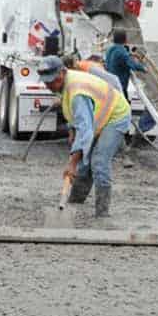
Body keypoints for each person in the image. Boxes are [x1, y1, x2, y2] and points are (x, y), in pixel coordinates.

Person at [38, 56, 131, 219]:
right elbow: (76, 117)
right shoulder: (65, 85)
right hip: (99, 118)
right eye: (46, 83)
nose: (49, 86)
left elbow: (86, 131)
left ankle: (102, 213)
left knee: (99, 161)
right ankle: (75, 201)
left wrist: (72, 163)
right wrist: (72, 132)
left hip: (116, 115)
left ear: (62, 72)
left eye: (51, 81)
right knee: (84, 159)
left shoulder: (76, 91)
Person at [103, 29, 144, 97]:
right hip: (119, 86)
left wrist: (130, 54)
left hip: (110, 84)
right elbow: (133, 65)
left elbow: (118, 57)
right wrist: (144, 68)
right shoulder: (122, 52)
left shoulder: (110, 49)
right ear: (125, 40)